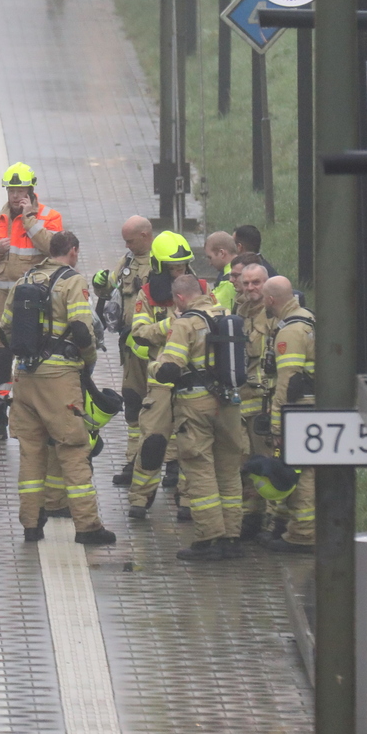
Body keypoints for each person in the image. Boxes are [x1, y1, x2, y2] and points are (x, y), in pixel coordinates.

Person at [1, 230, 117, 545]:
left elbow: (4, 328)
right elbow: (81, 329)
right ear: (74, 251)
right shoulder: (73, 282)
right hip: (60, 379)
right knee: (74, 449)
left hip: (24, 377)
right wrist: (88, 360)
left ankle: (31, 525)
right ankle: (88, 526)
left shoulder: (25, 279)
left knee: (31, 451)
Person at [152, 274, 249, 561]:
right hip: (230, 403)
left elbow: (171, 368)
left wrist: (152, 367)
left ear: (180, 298)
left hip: (196, 404)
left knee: (200, 469)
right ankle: (232, 538)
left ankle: (208, 539)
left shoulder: (185, 324)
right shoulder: (227, 315)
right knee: (229, 470)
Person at [126, 230, 198, 519]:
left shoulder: (203, 289)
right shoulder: (147, 295)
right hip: (159, 380)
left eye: (181, 266)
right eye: (172, 267)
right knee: (153, 442)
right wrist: (170, 326)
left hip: (193, 380)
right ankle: (139, 500)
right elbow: (139, 332)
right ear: (158, 266)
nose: (178, 271)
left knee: (191, 444)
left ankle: (188, 502)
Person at [0, 163, 64, 394]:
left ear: (31, 190)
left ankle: (28, 401)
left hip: (33, 302)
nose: (15, 196)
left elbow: (53, 249)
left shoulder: (49, 217)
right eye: (11, 190)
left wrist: (30, 221)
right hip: (0, 300)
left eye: (20, 190)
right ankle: (0, 403)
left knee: (31, 349)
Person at [93, 215, 154, 486]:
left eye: (131, 240)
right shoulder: (128, 261)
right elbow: (114, 286)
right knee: (132, 401)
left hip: (156, 347)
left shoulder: (162, 261)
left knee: (162, 404)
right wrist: (101, 283)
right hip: (131, 346)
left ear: (145, 235)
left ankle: (172, 465)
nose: (127, 245)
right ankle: (133, 460)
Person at [260, 276, 316, 553]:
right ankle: (282, 525)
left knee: (301, 470)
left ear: (271, 300)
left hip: (299, 409)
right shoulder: (306, 317)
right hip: (310, 406)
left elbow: (287, 382)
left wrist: (277, 425)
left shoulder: (290, 331)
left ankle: (304, 534)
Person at [231, 260, 277, 539]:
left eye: (256, 282)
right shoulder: (241, 313)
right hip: (241, 401)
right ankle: (250, 514)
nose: (250, 288)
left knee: (266, 461)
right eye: (246, 283)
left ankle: (271, 517)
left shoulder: (273, 315)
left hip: (263, 401)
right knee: (244, 461)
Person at [202, 231, 238, 311]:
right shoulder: (245, 267)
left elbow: (213, 310)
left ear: (221, 253)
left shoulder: (229, 281)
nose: (210, 263)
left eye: (210, 257)